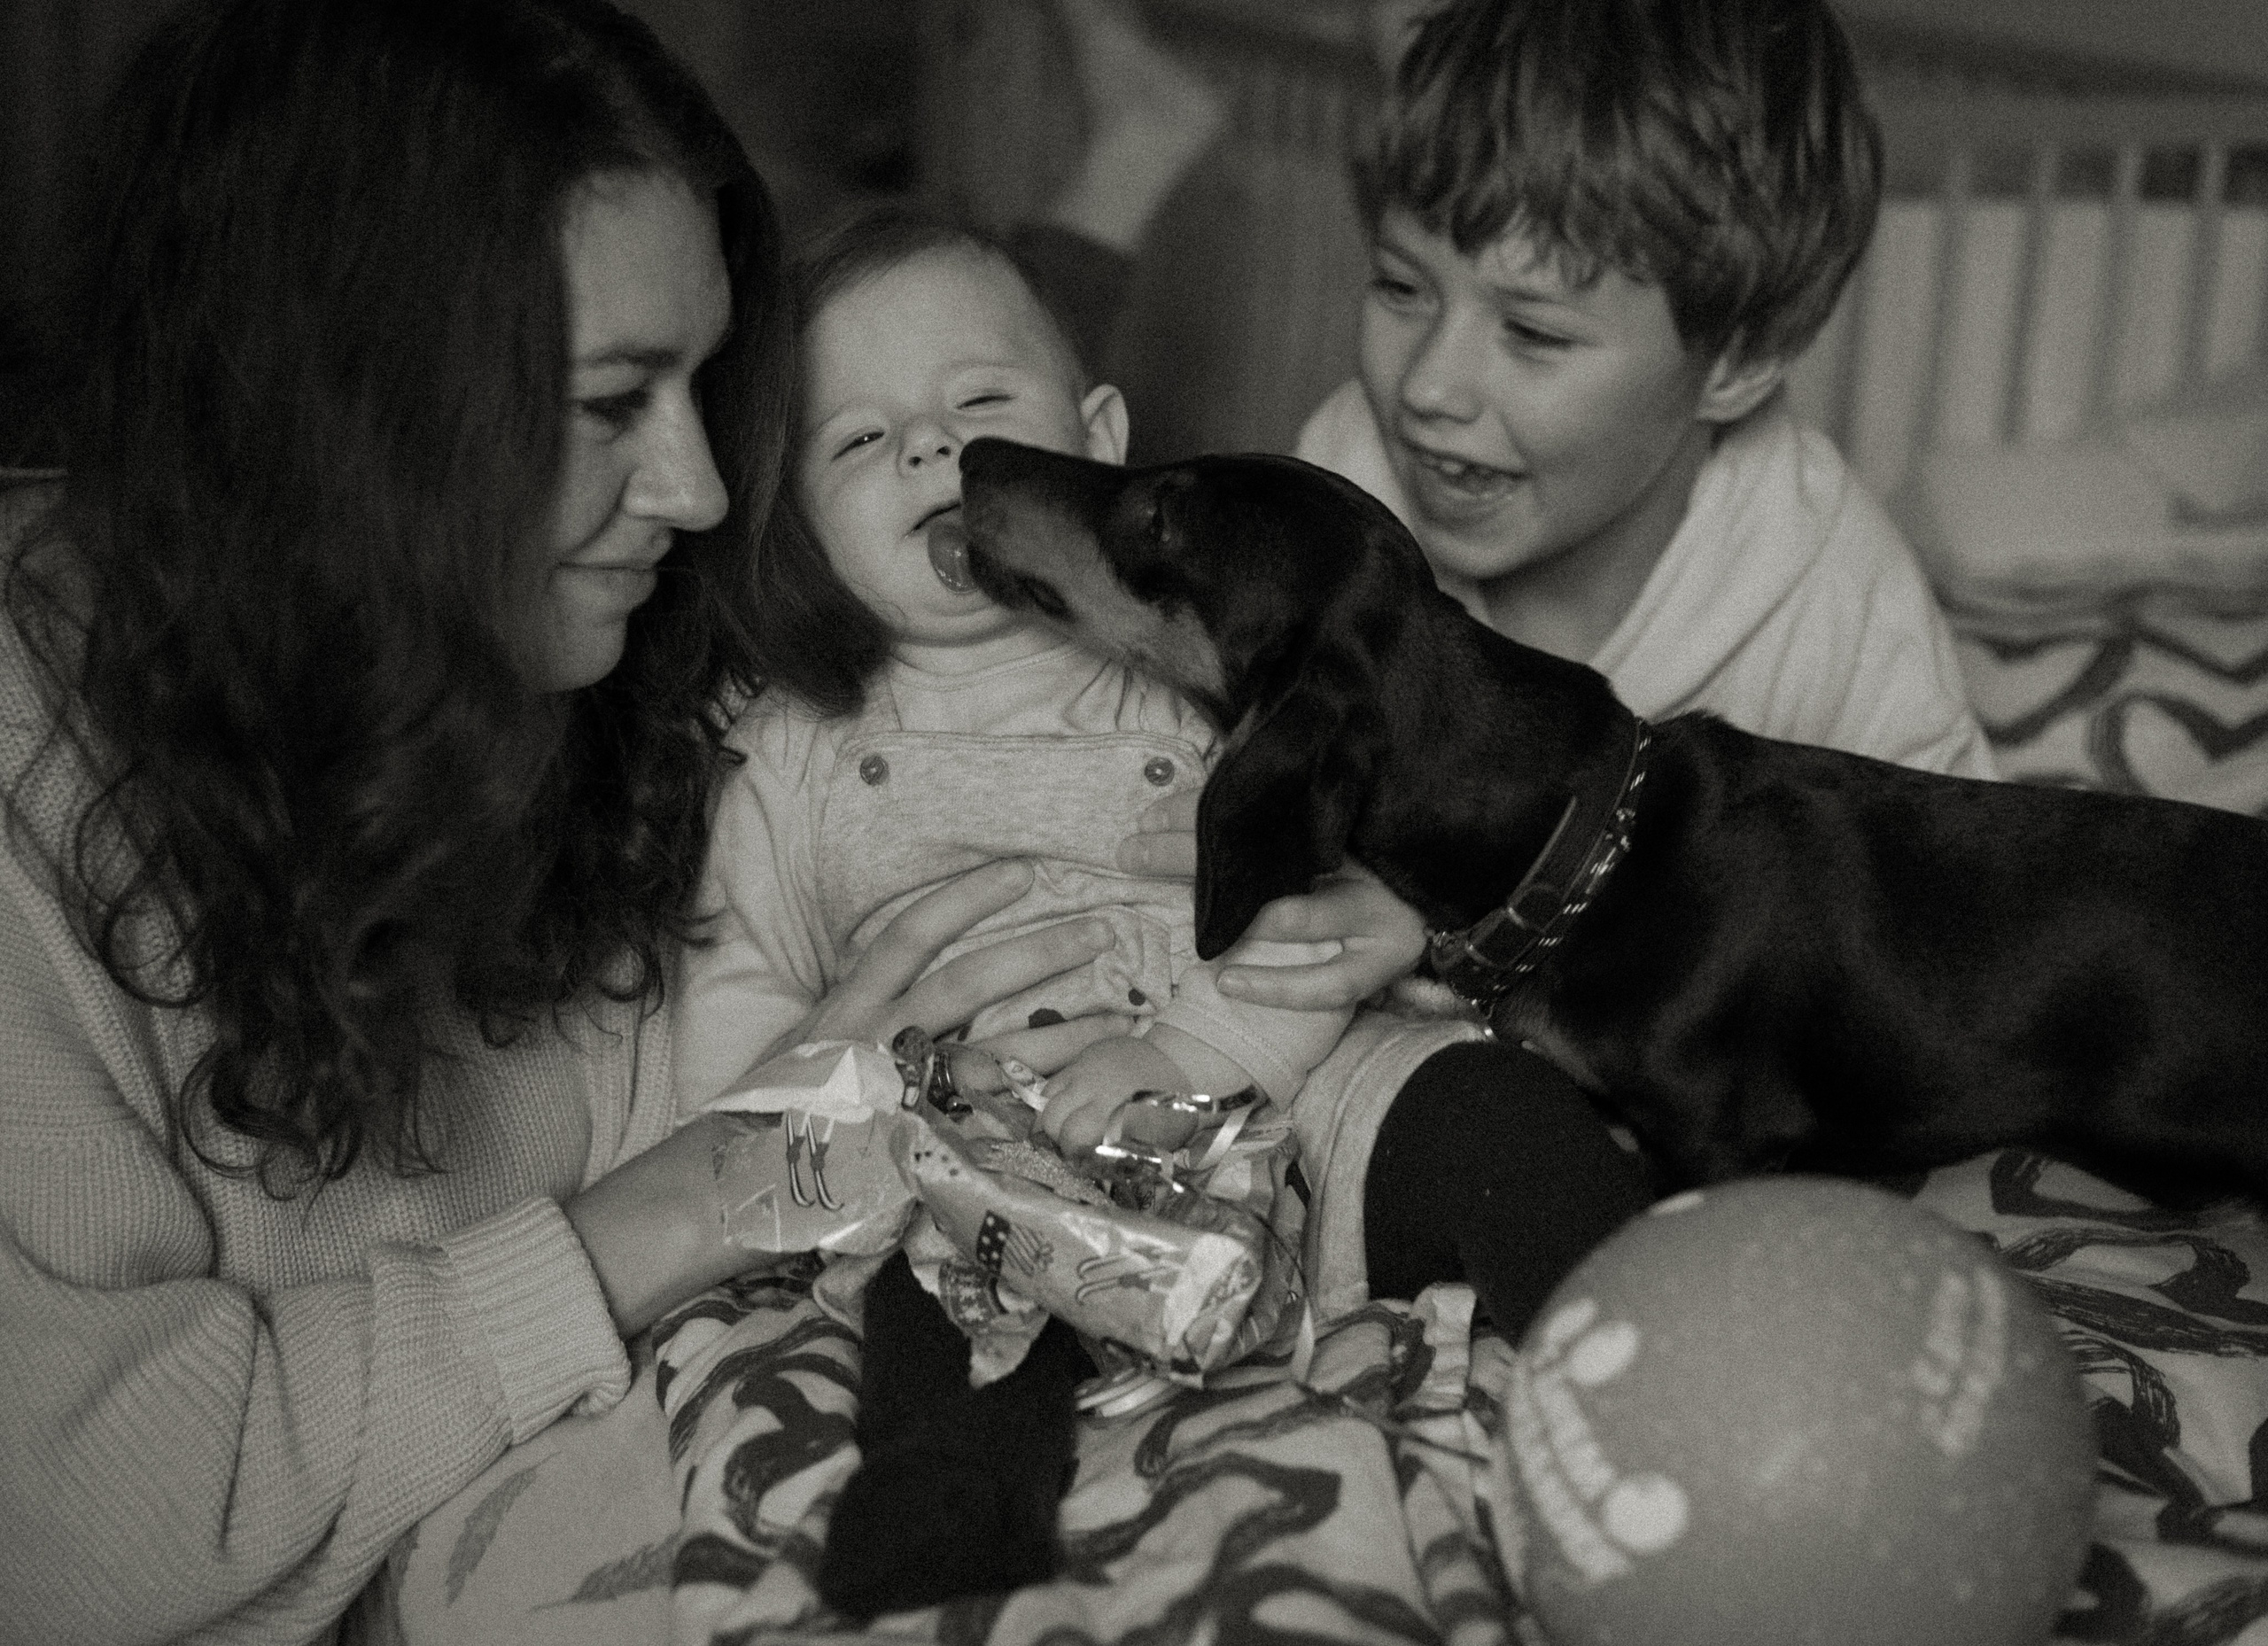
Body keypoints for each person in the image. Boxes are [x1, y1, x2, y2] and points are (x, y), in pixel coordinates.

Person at [0, 3, 1329, 1638]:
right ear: (358, 422)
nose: (700, 485)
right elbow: (77, 1516)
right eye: (615, 397)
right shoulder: (32, 802)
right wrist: (702, 1192)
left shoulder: (623, 635)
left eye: (705, 384)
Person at [673, 202, 1658, 1618]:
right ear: (794, 522)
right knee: (942, 1305)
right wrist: (795, 1146)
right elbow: (748, 992)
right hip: (1008, 1152)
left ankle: (1658, 1354)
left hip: (1290, 1082)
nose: (930, 450)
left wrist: (1199, 1050)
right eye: (859, 440)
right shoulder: (789, 752)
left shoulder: (1199, 664)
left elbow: (1326, 906)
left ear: (1100, 435)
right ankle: (954, 1498)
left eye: (980, 405)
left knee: (1498, 1119)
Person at [1298, 0, 1994, 779]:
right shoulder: (1342, 483)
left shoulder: (1831, 602)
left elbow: (1952, 876)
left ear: (1735, 362)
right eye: (1400, 287)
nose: (1428, 386)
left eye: (1534, 333)